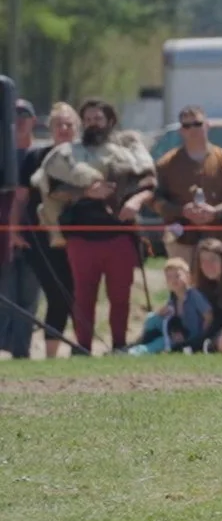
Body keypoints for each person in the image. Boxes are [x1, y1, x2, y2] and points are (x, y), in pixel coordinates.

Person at [33, 99, 155, 354]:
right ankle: (83, 348)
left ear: (109, 121)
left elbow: (149, 181)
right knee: (83, 297)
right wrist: (86, 191)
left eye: (98, 119)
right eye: (88, 119)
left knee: (120, 297)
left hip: (120, 234)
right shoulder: (67, 155)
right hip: (81, 236)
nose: (92, 124)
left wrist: (135, 200)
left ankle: (120, 346)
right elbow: (52, 188)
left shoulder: (128, 150)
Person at [153, 105, 222, 264]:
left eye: (197, 124)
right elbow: (155, 200)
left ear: (207, 125)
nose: (192, 129)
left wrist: (214, 212)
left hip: (220, 237)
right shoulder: (166, 164)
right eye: (186, 126)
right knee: (183, 285)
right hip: (181, 239)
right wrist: (182, 211)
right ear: (181, 130)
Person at [22, 102, 79, 357]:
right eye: (59, 124)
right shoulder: (35, 157)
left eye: (69, 124)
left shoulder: (84, 157)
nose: (64, 129)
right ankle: (51, 356)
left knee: (76, 295)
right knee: (57, 294)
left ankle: (80, 348)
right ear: (51, 128)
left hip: (78, 238)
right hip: (42, 240)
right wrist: (14, 231)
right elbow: (22, 199)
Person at [0, 100, 42, 359]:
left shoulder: (41, 154)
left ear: (33, 120)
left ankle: (21, 351)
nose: (20, 119)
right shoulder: (3, 157)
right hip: (3, 236)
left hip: (35, 237)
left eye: (25, 114)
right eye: (15, 115)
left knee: (28, 297)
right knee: (5, 296)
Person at [128, 257, 213, 356]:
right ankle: (138, 343)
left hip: (190, 337)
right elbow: (172, 320)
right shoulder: (173, 298)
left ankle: (136, 352)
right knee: (151, 318)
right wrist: (161, 314)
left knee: (161, 342)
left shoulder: (193, 295)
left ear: (188, 277)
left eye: (177, 276)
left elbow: (208, 315)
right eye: (169, 277)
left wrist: (200, 337)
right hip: (176, 333)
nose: (173, 280)